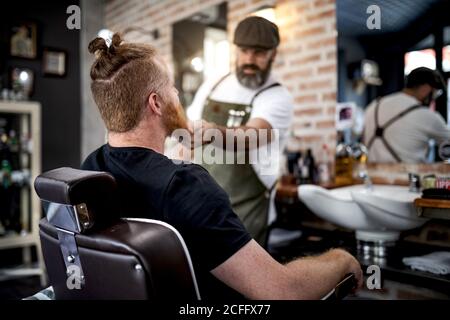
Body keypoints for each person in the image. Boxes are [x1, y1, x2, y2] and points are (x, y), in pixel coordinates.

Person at [81, 33, 362, 300]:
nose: (177, 93)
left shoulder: (90, 171)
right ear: (156, 102)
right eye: (171, 86)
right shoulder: (188, 187)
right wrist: (341, 259)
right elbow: (284, 292)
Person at [187, 16, 293, 245]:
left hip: (246, 212)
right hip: (202, 206)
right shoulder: (214, 85)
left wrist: (213, 132)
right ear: (235, 50)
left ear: (273, 54)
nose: (249, 60)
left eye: (259, 53)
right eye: (244, 51)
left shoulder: (277, 96)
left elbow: (254, 135)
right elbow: (187, 131)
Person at [363, 67, 450, 163]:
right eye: (436, 93)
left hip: (370, 175)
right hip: (408, 177)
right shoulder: (426, 115)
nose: (433, 99)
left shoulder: (373, 106)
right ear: (426, 88)